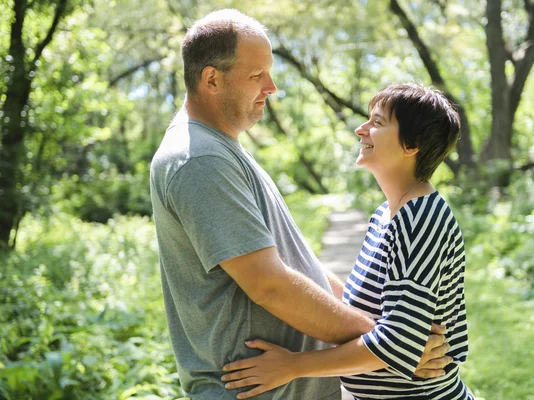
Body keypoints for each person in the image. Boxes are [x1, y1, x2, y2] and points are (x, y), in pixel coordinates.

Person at [150, 9, 450, 400]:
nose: (271, 87)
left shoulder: (222, 149)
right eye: (256, 75)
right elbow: (269, 284)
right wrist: (395, 347)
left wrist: (390, 340)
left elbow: (294, 265)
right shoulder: (200, 159)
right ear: (212, 79)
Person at [222, 83, 474, 400]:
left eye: (377, 123)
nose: (361, 129)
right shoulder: (387, 214)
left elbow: (398, 342)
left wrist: (294, 366)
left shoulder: (421, 219)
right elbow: (360, 308)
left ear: (412, 144)